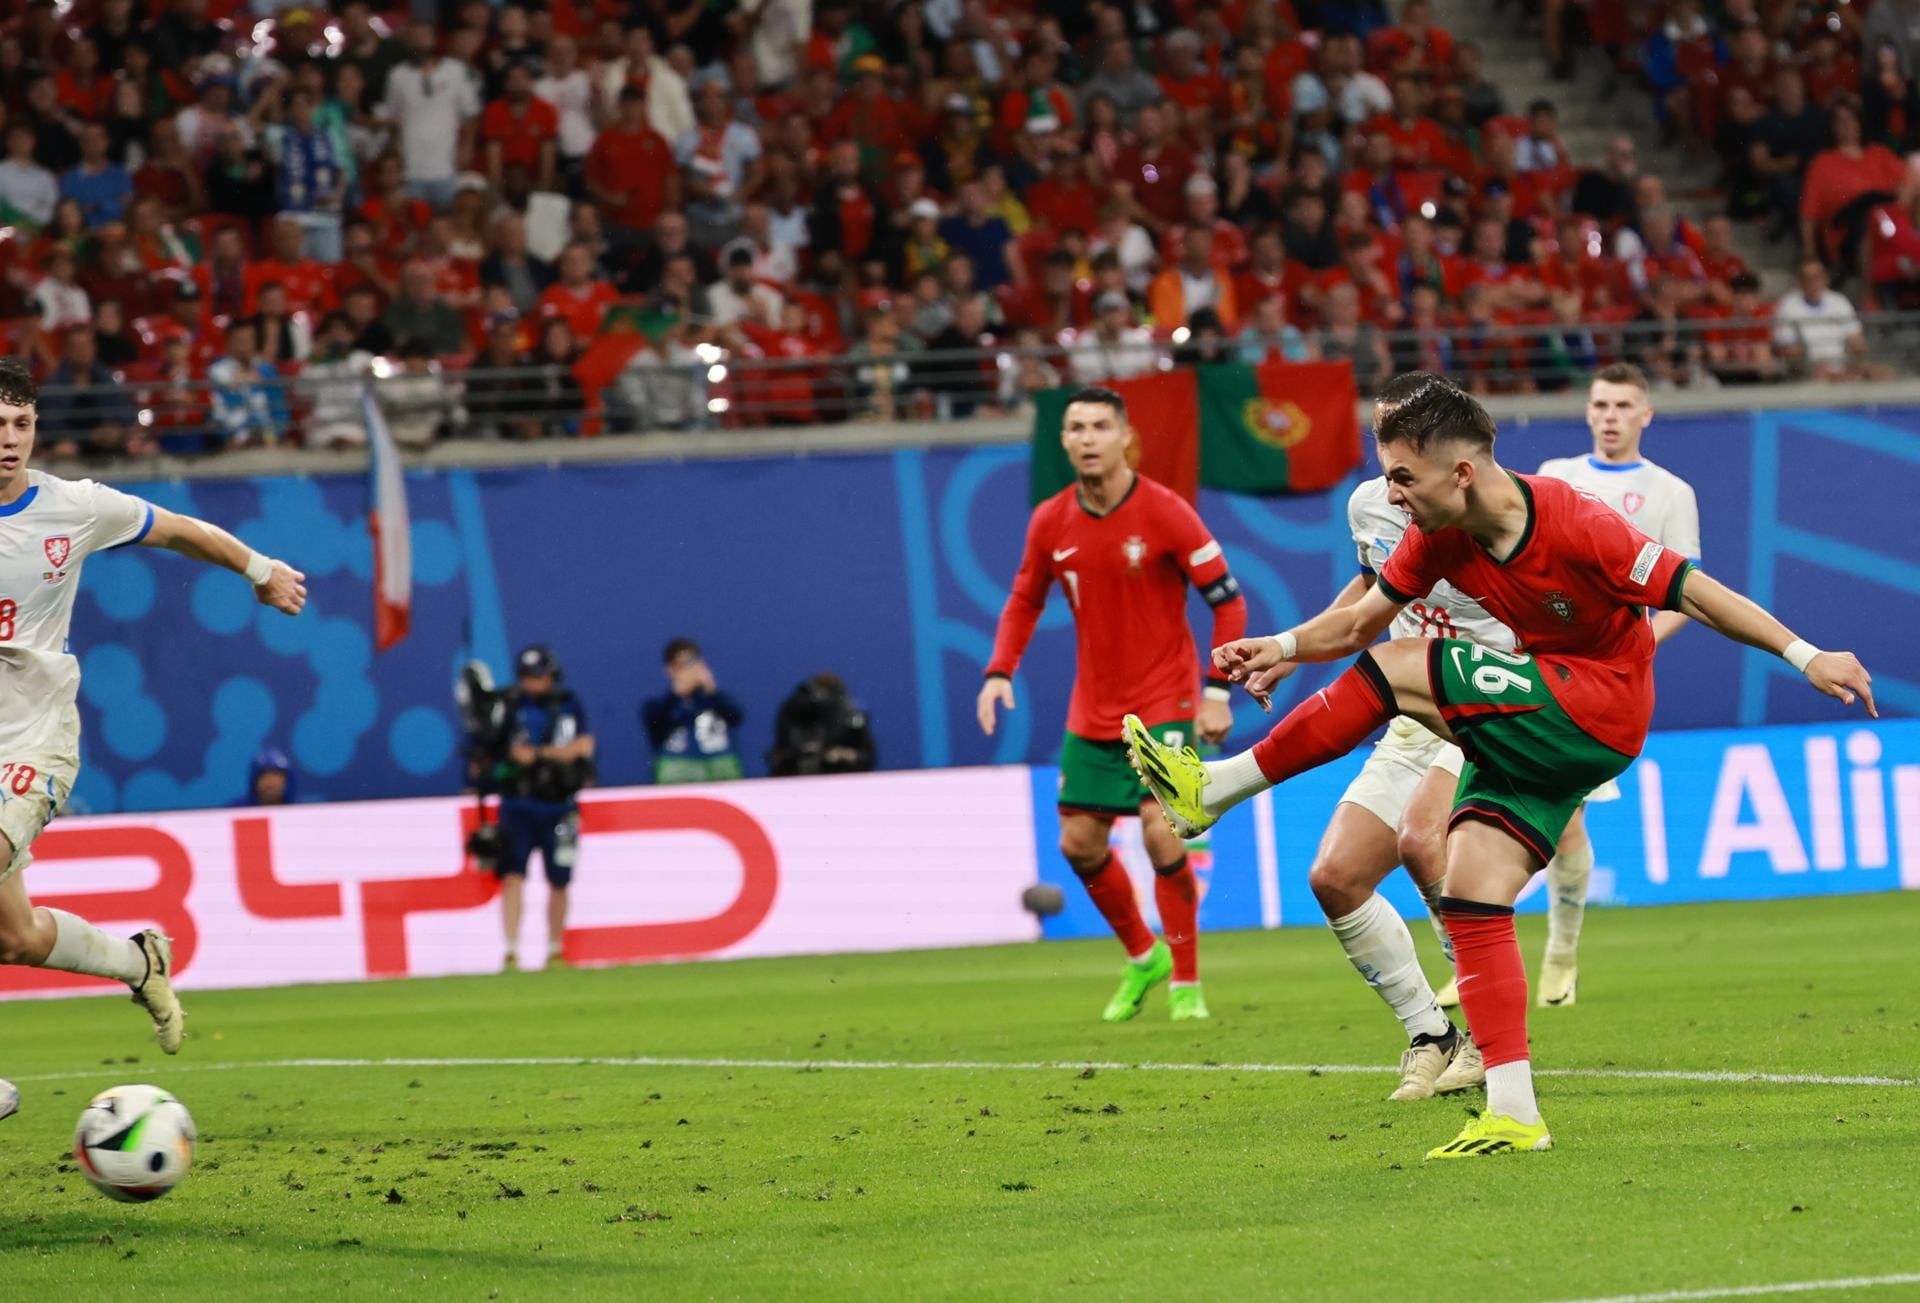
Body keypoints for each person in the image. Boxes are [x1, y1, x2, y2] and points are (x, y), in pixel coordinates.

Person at [1125, 372, 1874, 1159]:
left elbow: (1698, 592)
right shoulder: (1436, 535)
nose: (1391, 491)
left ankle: (1216, 787)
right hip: (1534, 715)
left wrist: (1805, 653)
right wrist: (1277, 648)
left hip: (1600, 707)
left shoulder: (1577, 522)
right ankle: (1515, 1111)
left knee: (1402, 666)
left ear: (1462, 471)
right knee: (1472, 887)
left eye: (1403, 476)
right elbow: (1356, 621)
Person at [0, 356, 306, 1116]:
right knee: (16, 939)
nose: (8, 439)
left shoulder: (73, 507)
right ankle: (139, 960)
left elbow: (176, 530)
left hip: (33, 740)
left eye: (21, 424)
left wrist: (258, 568)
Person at [980, 387, 1248, 1023]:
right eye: (1077, 427)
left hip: (1166, 699)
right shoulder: (1050, 520)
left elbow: (1228, 600)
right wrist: (998, 671)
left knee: (1162, 833)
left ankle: (1186, 982)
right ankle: (1142, 955)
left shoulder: (1166, 512)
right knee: (1078, 844)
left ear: (1125, 436)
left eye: (1102, 425)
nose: (1089, 437)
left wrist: (1217, 689)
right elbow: (1023, 599)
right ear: (1064, 441)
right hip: (1093, 706)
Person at [1518, 363, 1701, 1008]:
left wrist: (1641, 643)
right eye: (1601, 403)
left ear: (1646, 414)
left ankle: (1559, 953)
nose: (1611, 415)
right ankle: (1480, 947)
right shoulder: (1555, 474)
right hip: (1529, 663)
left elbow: (1685, 594)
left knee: (1563, 824)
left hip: (1601, 678)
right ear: (1588, 410)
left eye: (1624, 404)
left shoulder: (1670, 492)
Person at [492, 645, 595, 972]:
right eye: (527, 676)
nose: (533, 683)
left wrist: (539, 755)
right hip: (518, 804)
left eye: (539, 676)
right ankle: (510, 951)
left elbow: (583, 747)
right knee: (512, 875)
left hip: (560, 805)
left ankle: (555, 949)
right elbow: (498, 750)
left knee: (561, 879)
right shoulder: (509, 706)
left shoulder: (569, 704)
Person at [642, 638, 746, 783]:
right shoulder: (659, 704)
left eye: (693, 663)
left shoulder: (715, 700)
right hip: (678, 770)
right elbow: (654, 723)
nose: (689, 670)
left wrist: (713, 691)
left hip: (719, 768)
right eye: (682, 665)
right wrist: (675, 695)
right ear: (670, 669)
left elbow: (737, 716)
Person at [767, 673, 877, 777]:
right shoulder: (794, 710)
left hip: (839, 776)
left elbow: (866, 758)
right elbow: (778, 756)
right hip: (791, 776)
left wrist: (844, 755)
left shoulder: (848, 716)